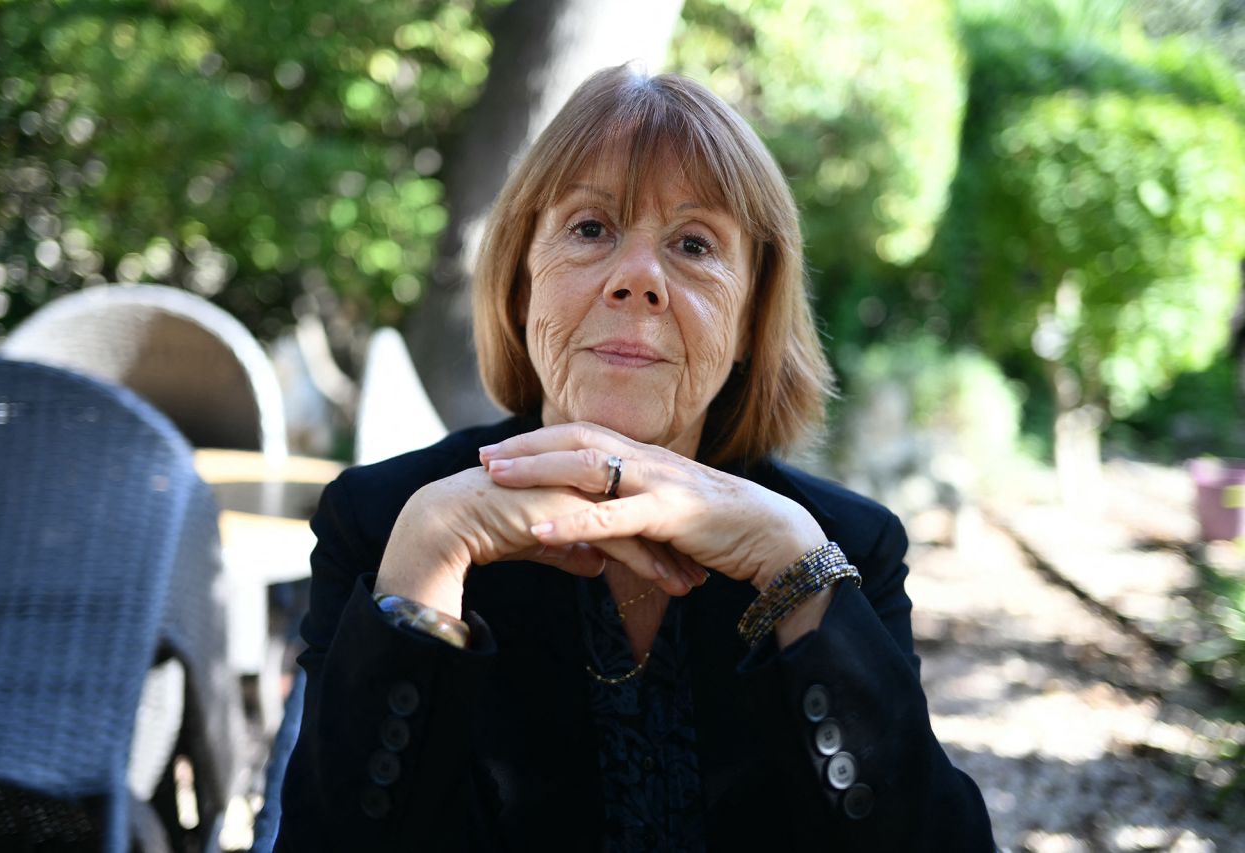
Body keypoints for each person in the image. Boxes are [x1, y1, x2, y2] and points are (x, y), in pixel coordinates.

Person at [276, 65, 994, 852]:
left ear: (753, 315)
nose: (637, 278)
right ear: (521, 281)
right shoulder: (380, 522)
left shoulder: (841, 546)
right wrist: (424, 564)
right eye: (590, 228)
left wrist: (795, 573)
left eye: (694, 244)